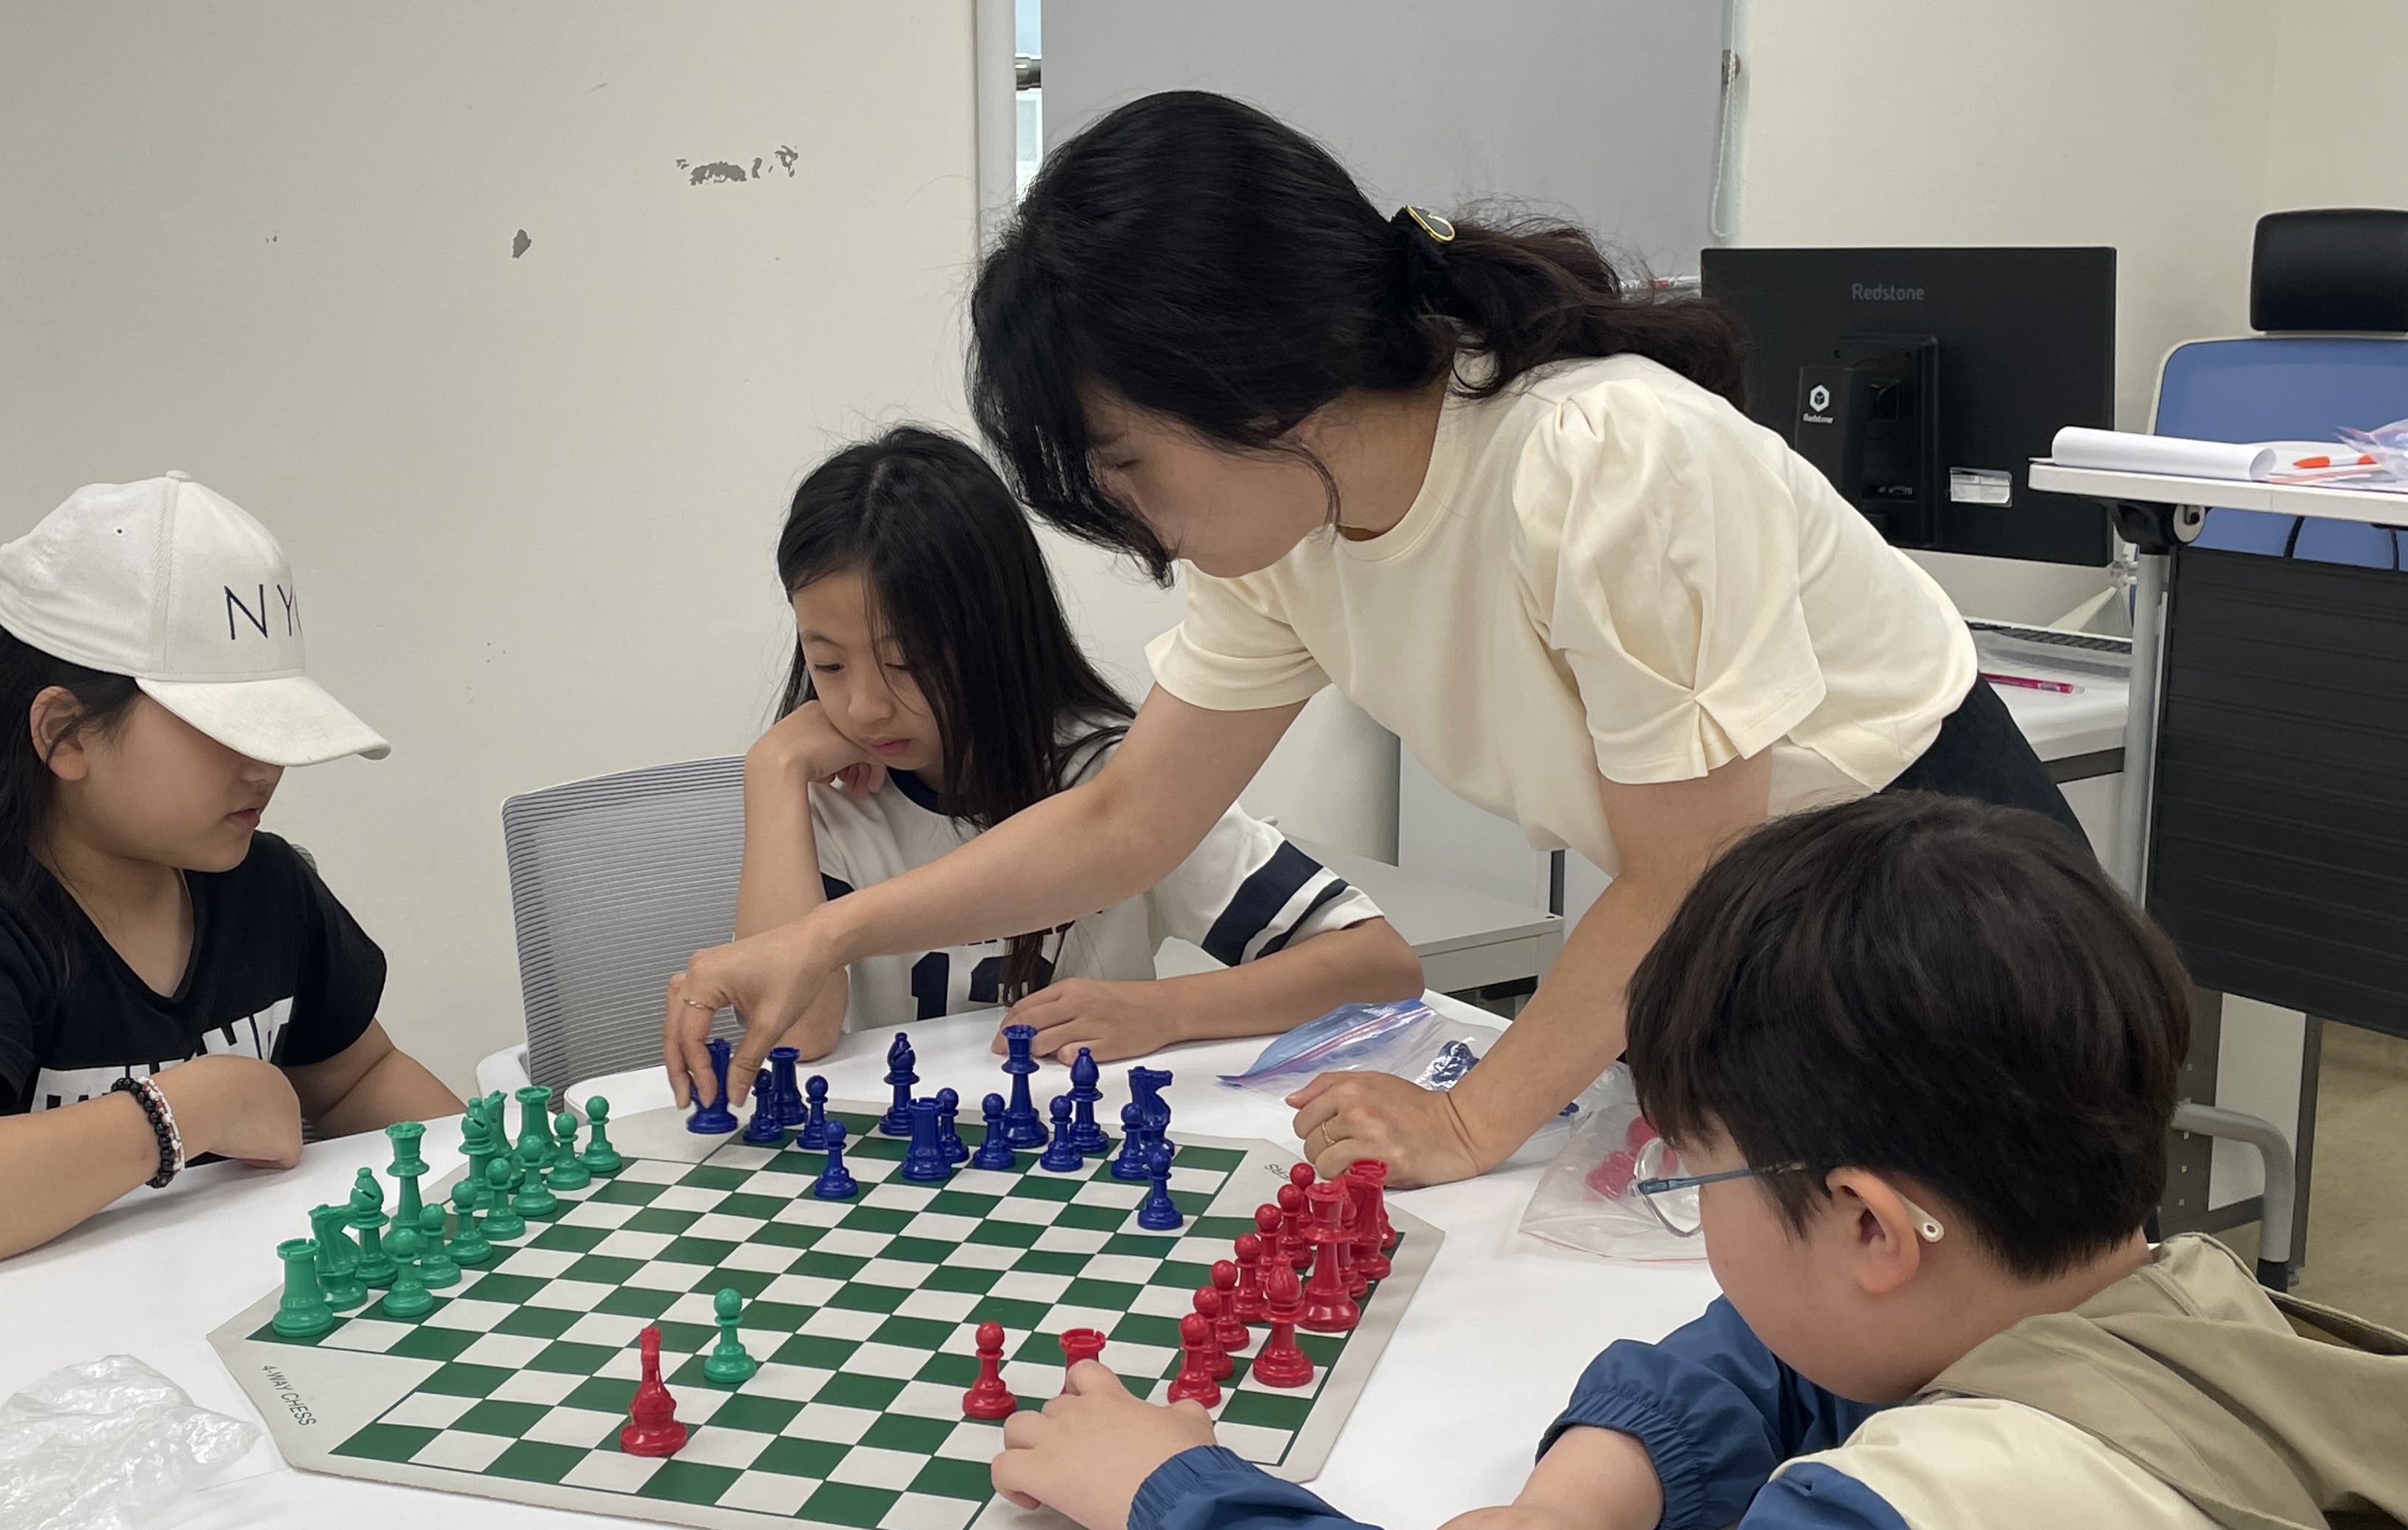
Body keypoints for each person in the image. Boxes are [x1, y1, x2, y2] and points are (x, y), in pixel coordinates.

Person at [990, 795, 2408, 1530]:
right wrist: (1591, 1481)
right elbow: (1802, 1351)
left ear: (1868, 1223)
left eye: (1694, 1169)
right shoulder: (2201, 1313)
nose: (1692, 1204)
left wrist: (1174, 1487)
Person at [664, 92, 2083, 1184]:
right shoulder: (1286, 541)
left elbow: (1683, 865)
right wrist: (823, 934)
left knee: (1962, 1342)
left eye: (1125, 463)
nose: (1125, 517)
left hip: (1942, 905)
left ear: (1252, 382)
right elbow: (1122, 820)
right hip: (1746, 929)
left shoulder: (1601, 459)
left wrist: (1468, 1118)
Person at [0, 474, 461, 1278]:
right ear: (66, 734)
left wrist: (500, 1188)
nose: (266, 767)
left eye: (276, 730)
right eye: (225, 732)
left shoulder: (262, 885)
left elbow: (357, 1077)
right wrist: (199, 1106)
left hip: (128, 1309)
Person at [736, 425, 1426, 1068]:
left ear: (997, 634)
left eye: (906, 662)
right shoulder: (834, 793)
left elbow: (1378, 963)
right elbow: (791, 1035)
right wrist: (772, 769)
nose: (865, 706)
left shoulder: (1116, 781)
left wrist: (1164, 1010)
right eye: (829, 665)